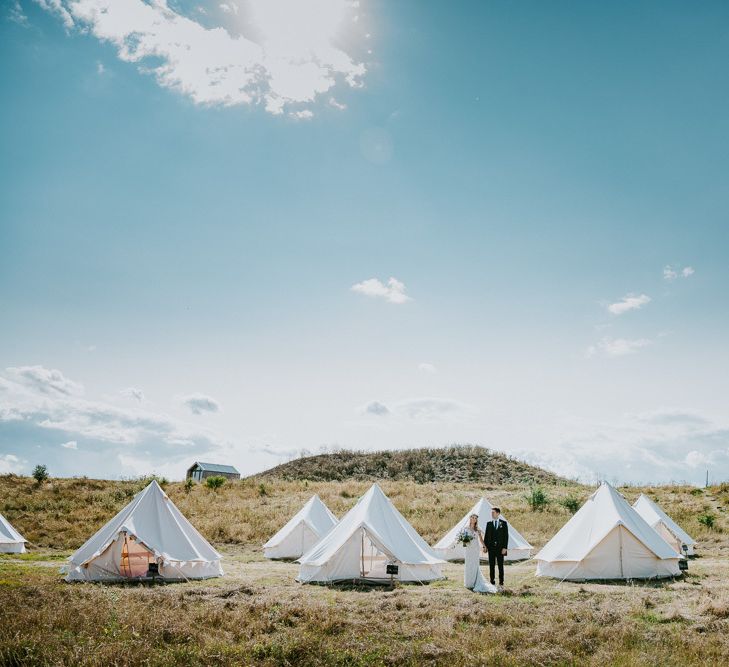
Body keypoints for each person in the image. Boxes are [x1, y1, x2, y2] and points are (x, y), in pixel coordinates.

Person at [463, 514, 497, 594]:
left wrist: (485, 546)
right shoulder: (466, 528)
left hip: (475, 549)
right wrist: (464, 541)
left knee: (475, 564)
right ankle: (469, 582)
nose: (473, 519)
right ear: (470, 519)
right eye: (472, 518)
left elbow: (481, 539)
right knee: (468, 564)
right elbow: (464, 541)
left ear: (476, 520)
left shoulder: (477, 529)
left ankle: (474, 582)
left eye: (475, 518)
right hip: (468, 549)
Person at [484, 506, 509, 587]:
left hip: (500, 548)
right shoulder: (489, 523)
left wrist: (505, 548)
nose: (492, 514)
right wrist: (485, 546)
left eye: (493, 512)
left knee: (500, 566)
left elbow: (506, 536)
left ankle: (501, 582)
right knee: (491, 565)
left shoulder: (504, 523)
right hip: (491, 548)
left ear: (498, 513)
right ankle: (492, 581)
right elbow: (486, 536)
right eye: (491, 513)